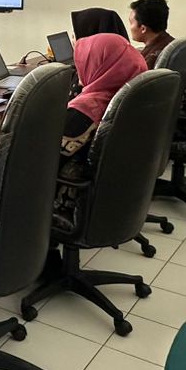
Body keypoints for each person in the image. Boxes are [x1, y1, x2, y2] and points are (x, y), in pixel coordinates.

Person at [54, 35, 147, 227]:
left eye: (84, 61)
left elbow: (43, 160)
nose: (78, 67)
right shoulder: (129, 98)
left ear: (99, 66)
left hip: (68, 202)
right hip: (115, 196)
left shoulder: (84, 112)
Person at [128, 0, 174, 67]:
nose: (130, 27)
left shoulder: (148, 61)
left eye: (131, 23)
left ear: (143, 29)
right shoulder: (171, 43)